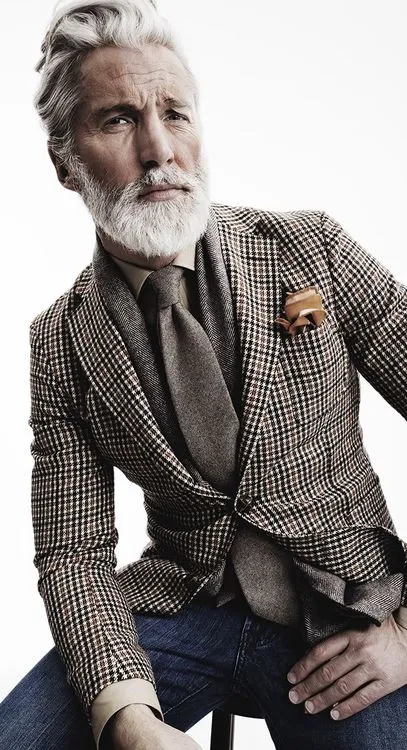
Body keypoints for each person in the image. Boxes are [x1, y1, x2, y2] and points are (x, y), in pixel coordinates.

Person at [1, 0, 407, 748]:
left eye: (175, 114)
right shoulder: (58, 342)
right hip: (180, 606)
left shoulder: (308, 249)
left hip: (352, 610)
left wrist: (406, 633)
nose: (159, 149)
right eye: (118, 120)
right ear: (64, 163)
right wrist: (127, 718)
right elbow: (72, 551)